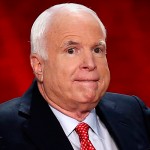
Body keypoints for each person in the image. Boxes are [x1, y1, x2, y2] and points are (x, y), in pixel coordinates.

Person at [0, 3, 150, 150]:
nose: (90, 64)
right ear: (39, 65)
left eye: (97, 50)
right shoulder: (4, 129)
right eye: (71, 50)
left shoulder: (134, 112)